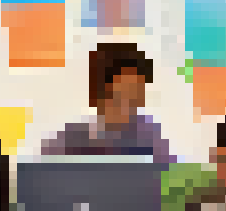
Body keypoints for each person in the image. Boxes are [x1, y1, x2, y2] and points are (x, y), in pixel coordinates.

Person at [38, 42, 177, 169]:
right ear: (99, 94)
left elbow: (175, 179)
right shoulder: (69, 143)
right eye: (124, 92)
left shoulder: (149, 138)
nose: (133, 103)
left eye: (137, 92)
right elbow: (43, 179)